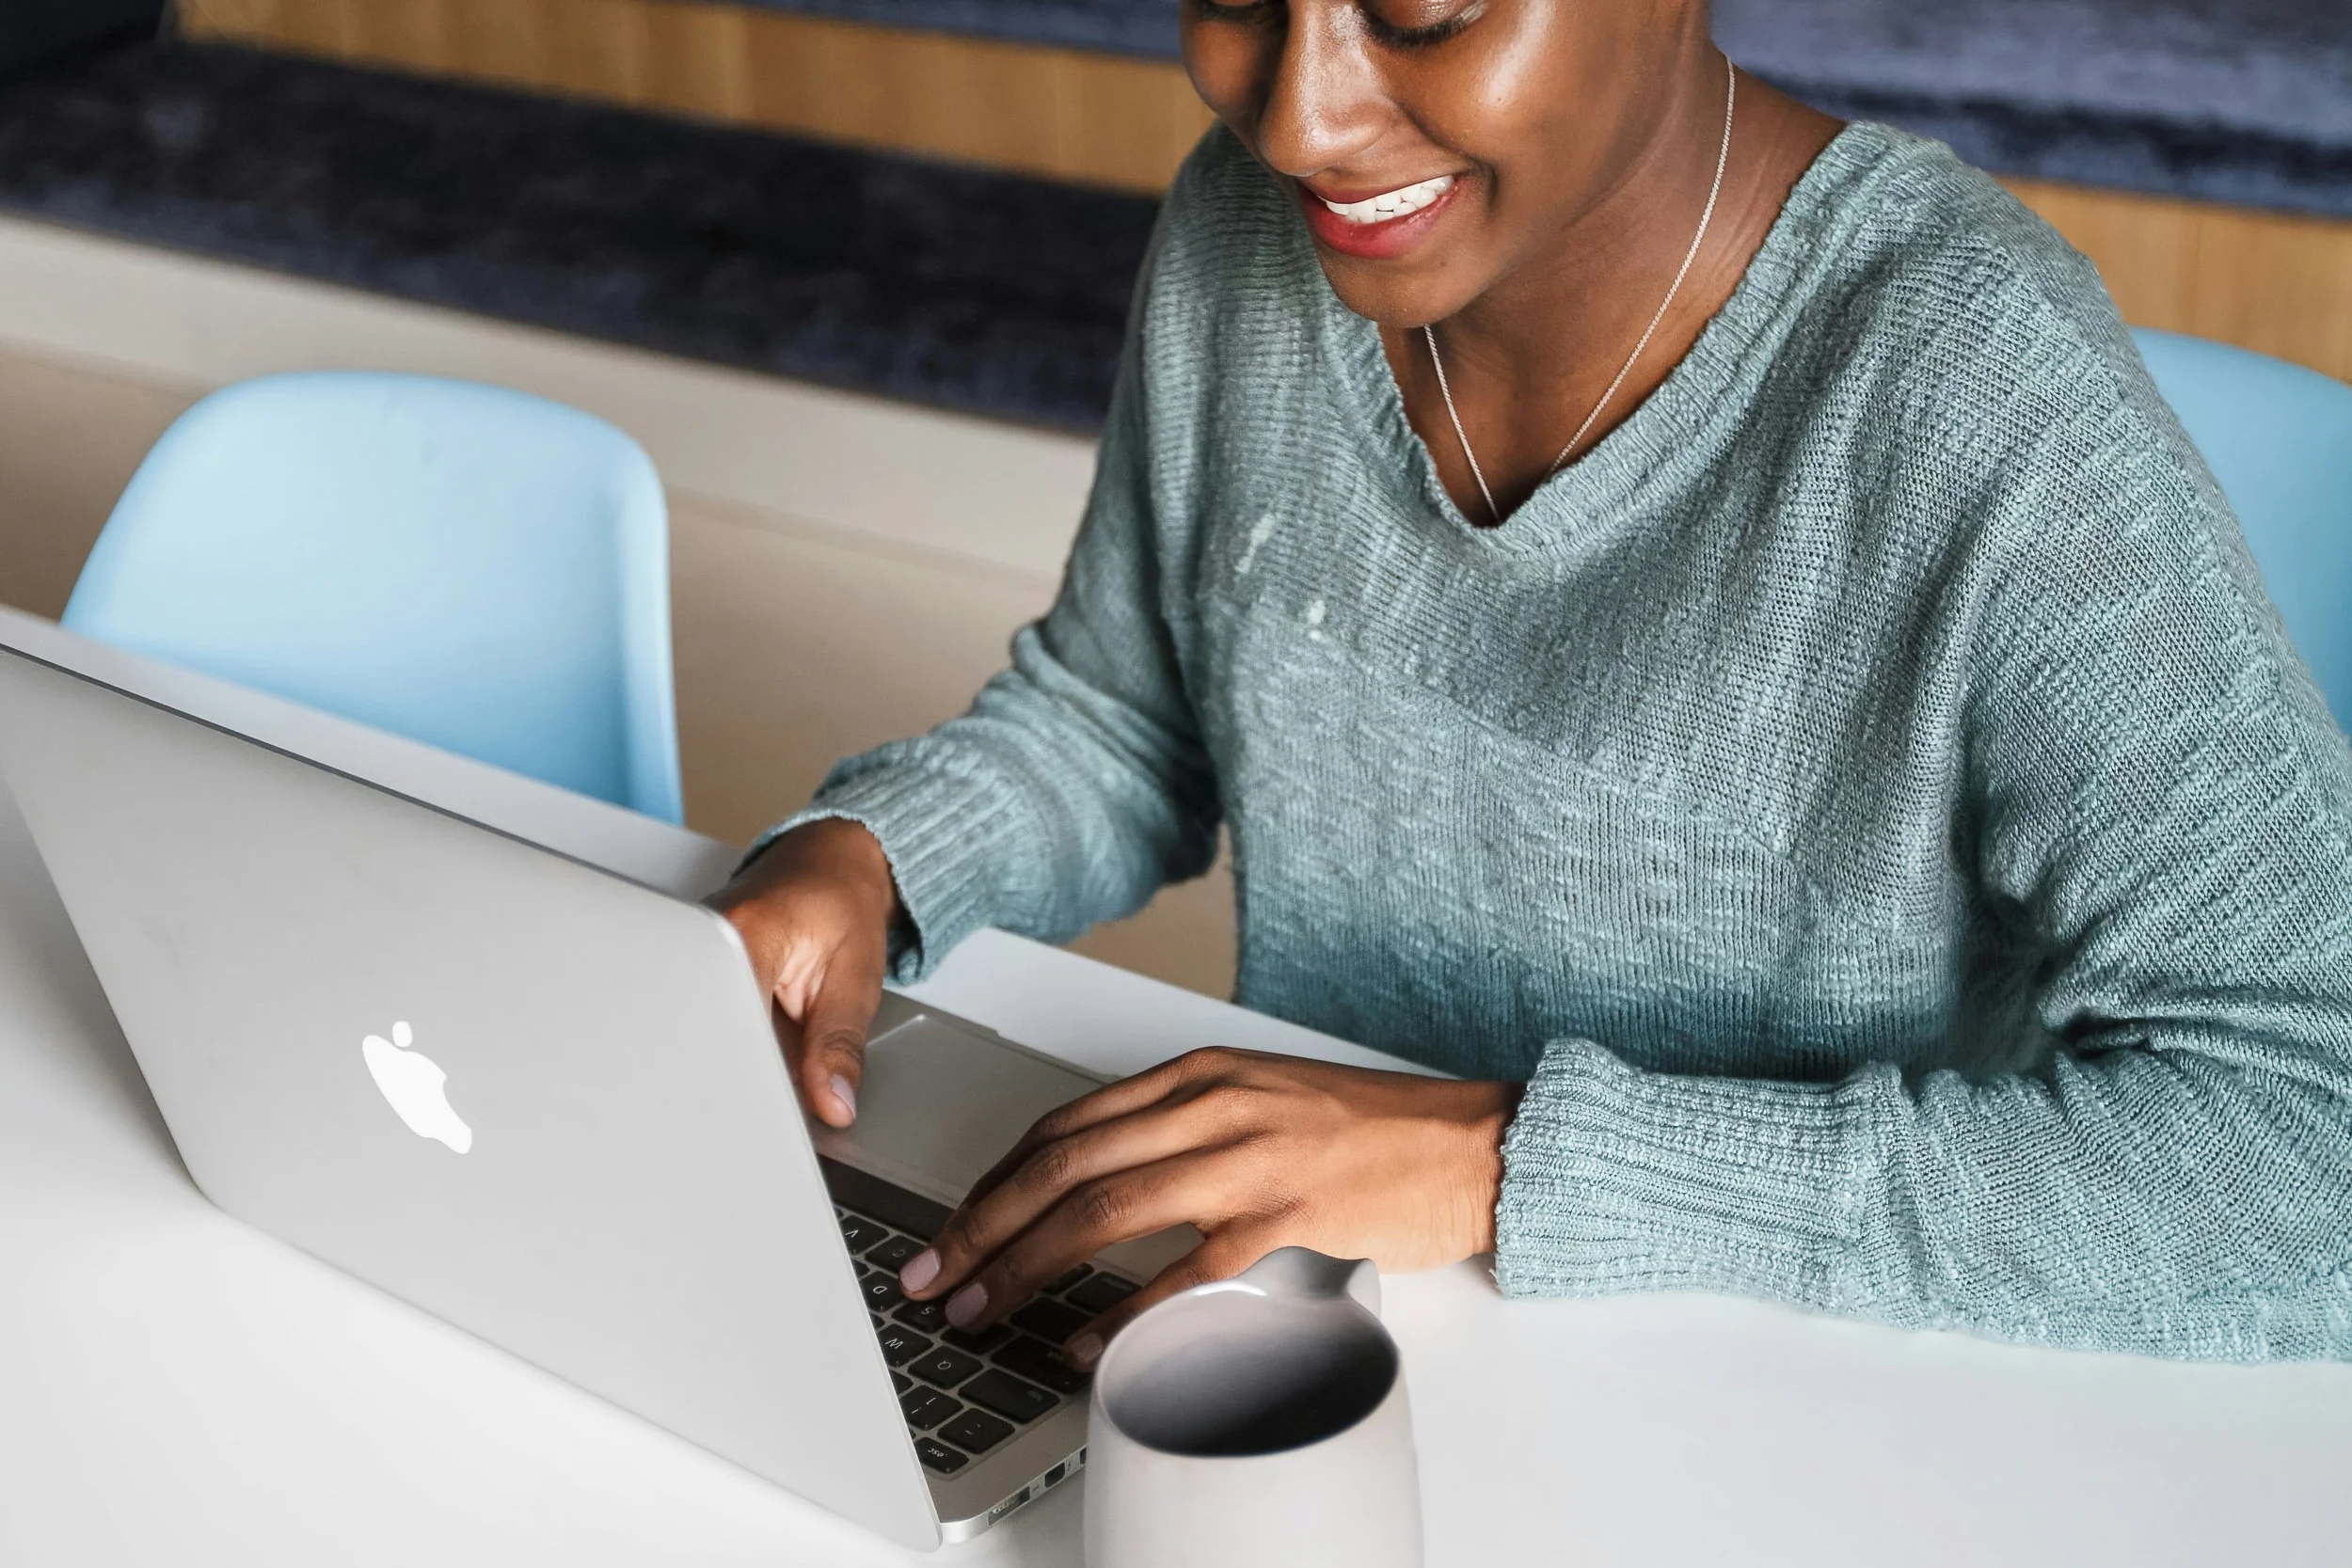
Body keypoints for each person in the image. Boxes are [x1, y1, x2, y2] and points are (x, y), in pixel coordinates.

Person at [710, 0, 2352, 1369]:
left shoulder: (1972, 386)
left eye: (1420, 11)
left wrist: (1504, 1164)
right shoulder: (1246, 230)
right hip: (1325, 1340)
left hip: (1801, 1388)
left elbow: (2315, 1138)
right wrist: (872, 858)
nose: (1300, 119)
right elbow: (1131, 711)